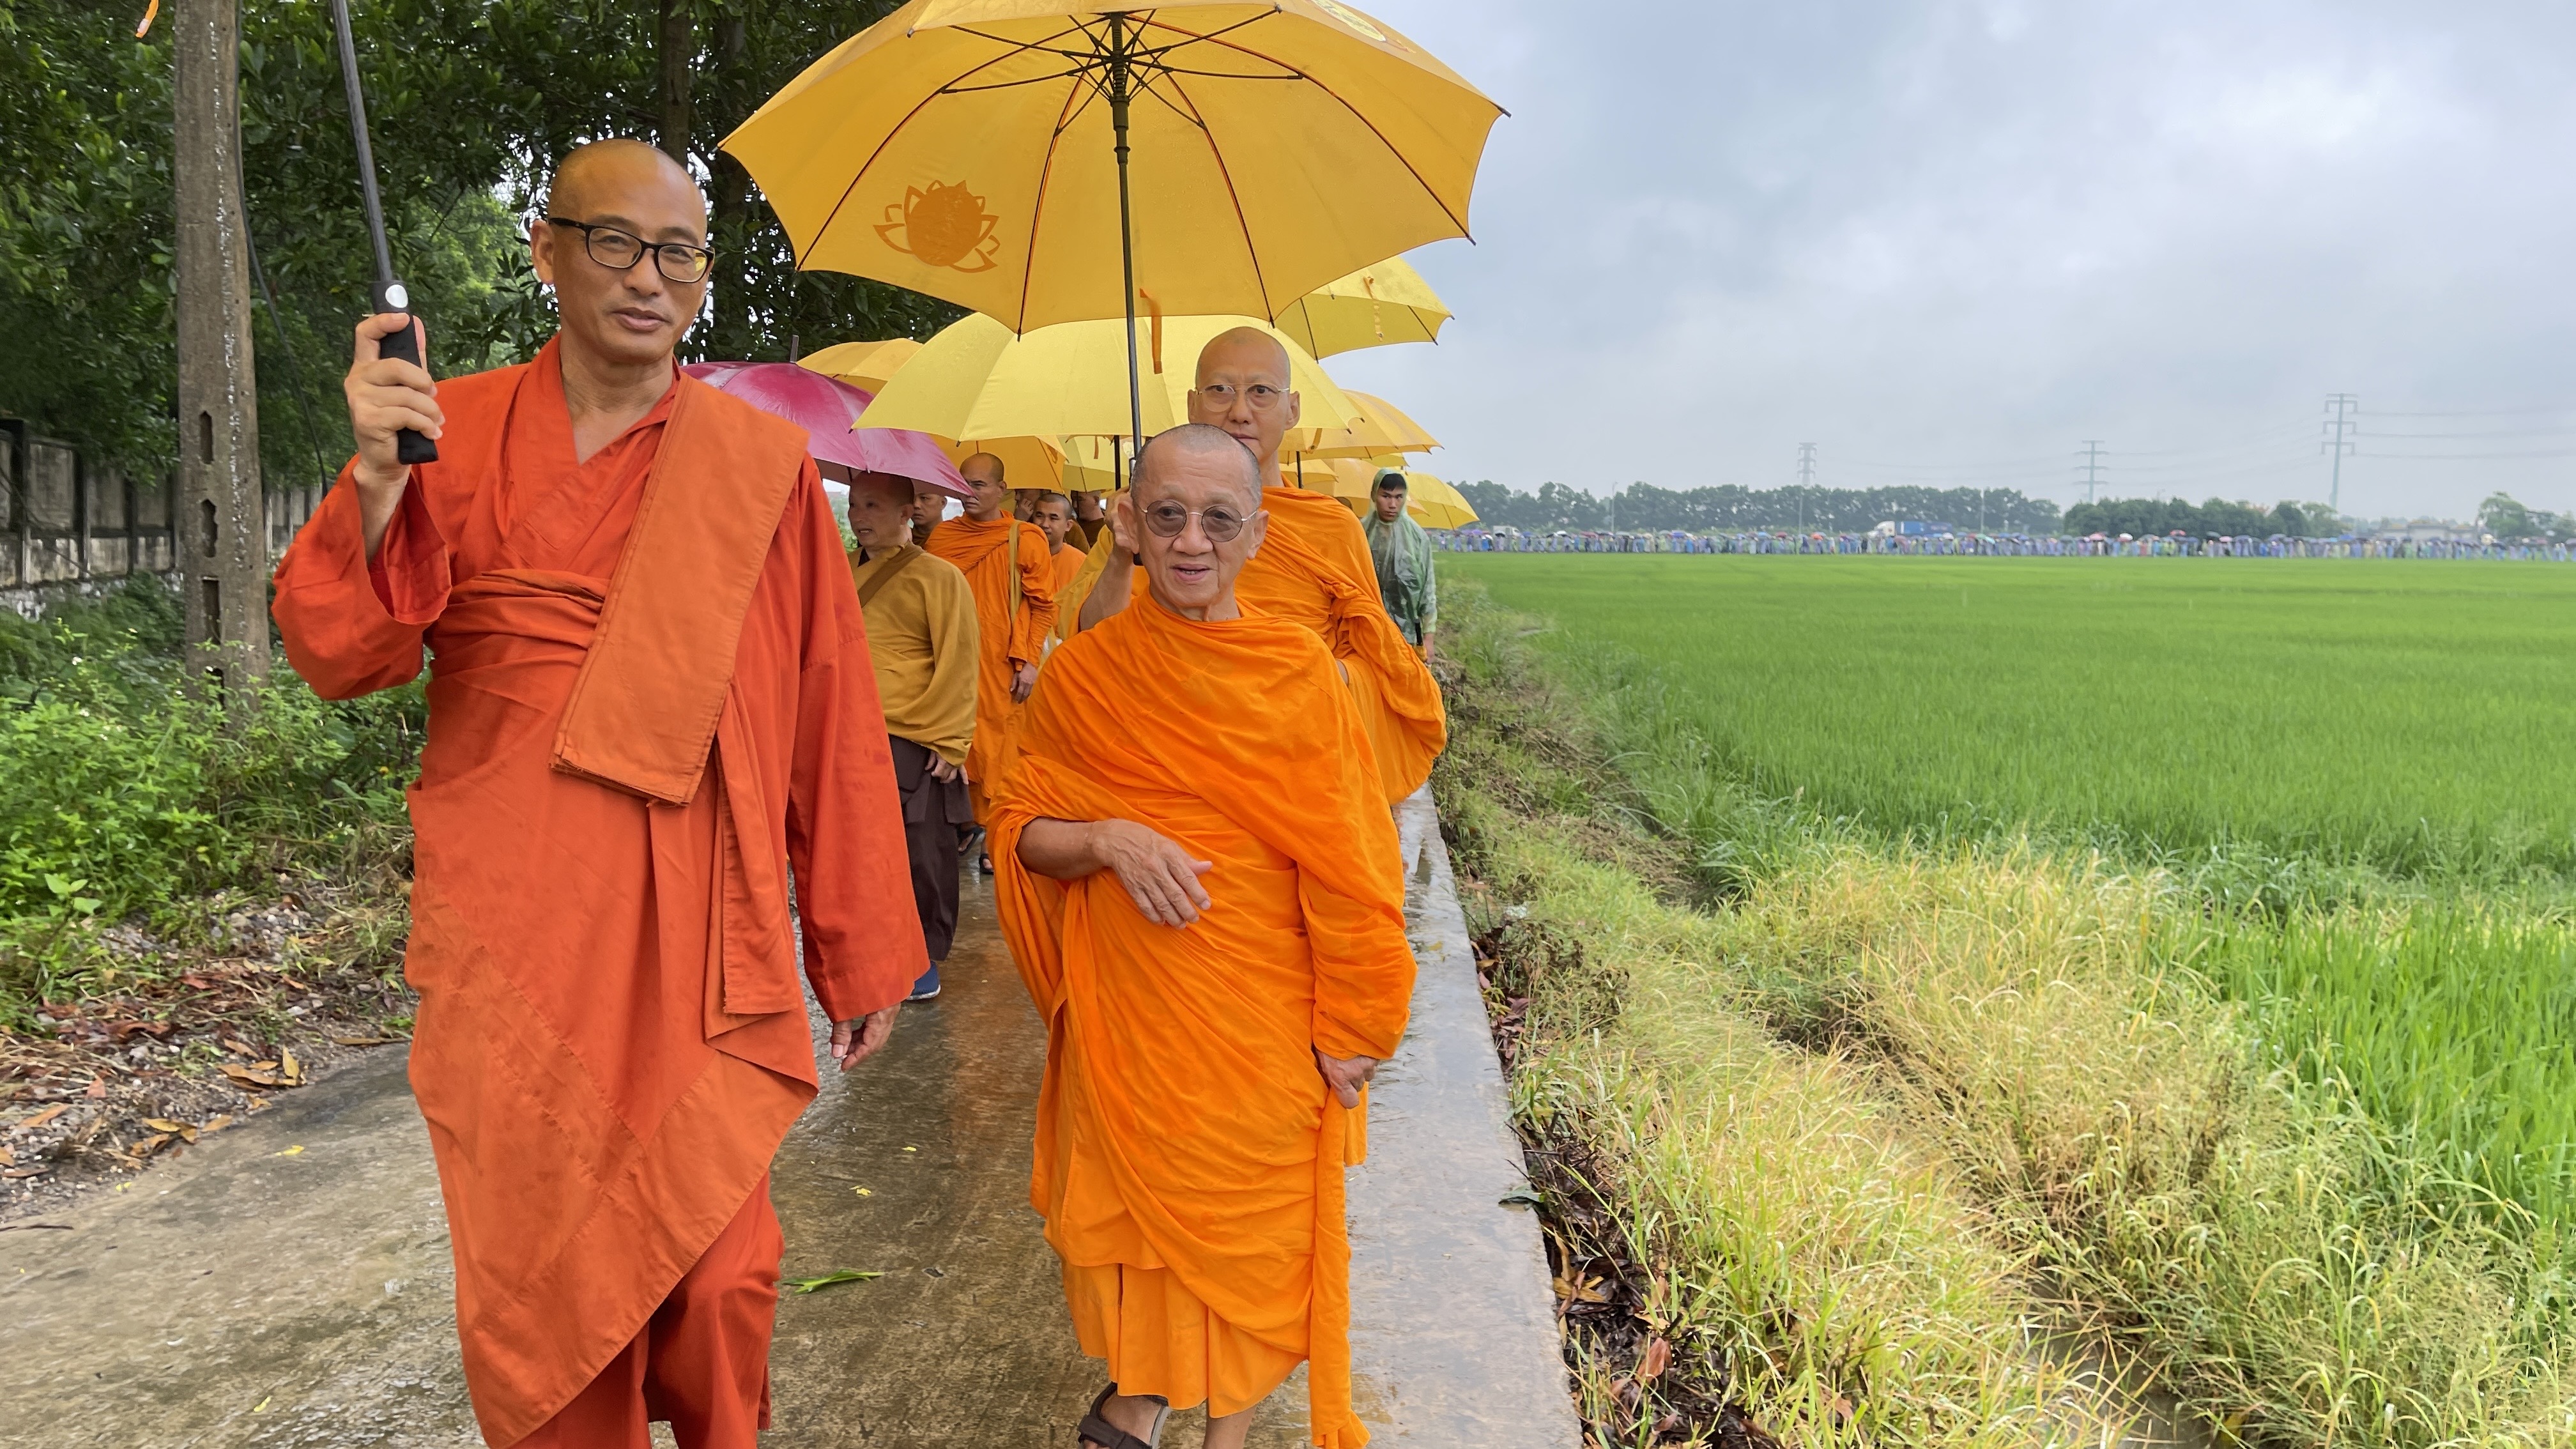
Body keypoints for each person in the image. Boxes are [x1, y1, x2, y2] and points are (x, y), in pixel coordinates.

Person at [270, 138, 921, 1448]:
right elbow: (346, 653)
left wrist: (857, 945)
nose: (649, 278)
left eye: (679, 253)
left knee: (722, 1274)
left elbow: (826, 710)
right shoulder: (441, 427)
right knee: (551, 1285)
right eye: (614, 243)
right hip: (515, 920)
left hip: (696, 924)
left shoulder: (760, 466)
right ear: (546, 250)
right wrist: (383, 478)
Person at [989, 424, 1414, 1449]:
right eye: (1168, 514)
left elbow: (1355, 865)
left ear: (1258, 535)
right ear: (1129, 523)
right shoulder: (1087, 679)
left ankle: (1227, 1430)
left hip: (1259, 1021)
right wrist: (1105, 839)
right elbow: (1018, 829)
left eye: (1219, 518)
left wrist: (1357, 1020)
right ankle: (1142, 1392)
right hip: (1131, 1024)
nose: (1191, 540)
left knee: (1252, 1239)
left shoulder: (1303, 676)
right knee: (1141, 1238)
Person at [1071, 329, 1445, 805]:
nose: (1240, 411)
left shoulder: (1330, 528)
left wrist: (1316, 672)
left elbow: (1376, 661)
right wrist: (1125, 553)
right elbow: (1089, 642)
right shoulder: (1148, 517)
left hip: (1294, 763)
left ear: (1292, 409)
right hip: (1162, 764)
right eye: (1220, 390)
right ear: (1192, 404)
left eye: (1261, 392)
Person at [847, 472, 978, 1004]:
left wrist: (950, 740)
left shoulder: (939, 577)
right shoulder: (838, 571)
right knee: (858, 854)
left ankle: (921, 955)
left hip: (910, 734)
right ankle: (871, 952)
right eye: (855, 505)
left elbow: (959, 660)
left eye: (874, 506)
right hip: (847, 734)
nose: (859, 517)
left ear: (908, 513)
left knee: (919, 854)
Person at [925, 451, 1057, 826]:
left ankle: (997, 828)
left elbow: (1044, 605)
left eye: (979, 485)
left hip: (1001, 662)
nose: (969, 492)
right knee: (955, 741)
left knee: (1000, 746)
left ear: (1002, 490)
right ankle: (965, 825)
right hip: (951, 658)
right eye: (963, 483)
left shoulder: (1025, 537)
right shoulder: (944, 537)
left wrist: (1030, 661)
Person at [1363, 470, 1438, 661]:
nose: (1392, 504)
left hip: (1408, 636)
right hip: (1367, 631)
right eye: (1386, 496)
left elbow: (1427, 590)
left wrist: (1429, 638)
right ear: (1374, 495)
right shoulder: (1360, 532)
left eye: (1399, 497)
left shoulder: (1418, 538)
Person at [1028, 489, 1087, 596]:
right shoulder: (1019, 557)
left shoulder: (1081, 563)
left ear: (1068, 525)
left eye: (1053, 518)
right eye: (1039, 516)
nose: (1045, 524)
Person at [910, 478, 944, 546]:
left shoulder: (953, 538)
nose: (916, 505)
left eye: (924, 498)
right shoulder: (897, 540)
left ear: (943, 503)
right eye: (911, 498)